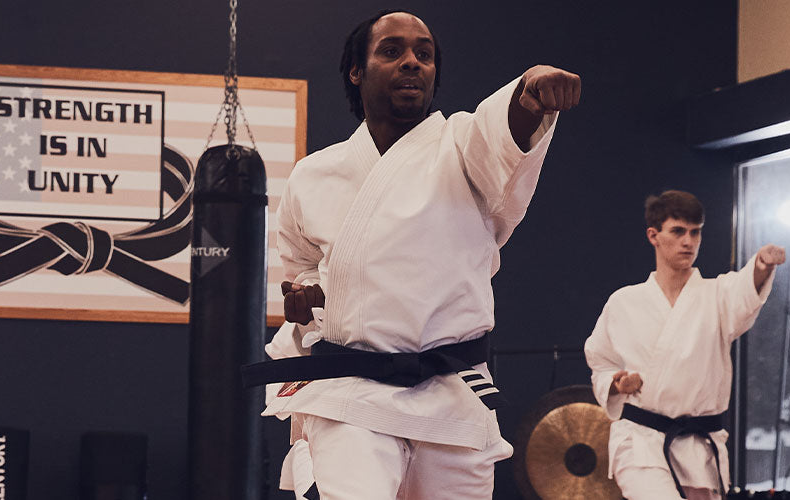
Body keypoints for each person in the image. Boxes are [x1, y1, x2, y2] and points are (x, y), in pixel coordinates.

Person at [245, 9, 580, 500]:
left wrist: (528, 93)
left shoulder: (462, 148)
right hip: (351, 391)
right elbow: (302, 266)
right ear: (357, 70)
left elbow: (501, 136)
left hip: (451, 395)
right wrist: (306, 295)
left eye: (424, 55)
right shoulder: (313, 175)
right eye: (392, 51)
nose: (411, 63)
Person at [583, 190, 785, 500]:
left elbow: (745, 292)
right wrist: (616, 382)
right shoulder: (623, 302)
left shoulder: (717, 295)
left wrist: (762, 265)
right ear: (654, 235)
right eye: (678, 231)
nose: (688, 242)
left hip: (700, 445)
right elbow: (600, 361)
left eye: (695, 232)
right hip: (641, 442)